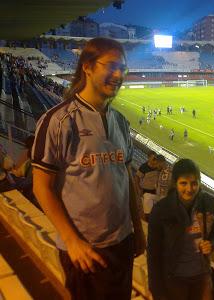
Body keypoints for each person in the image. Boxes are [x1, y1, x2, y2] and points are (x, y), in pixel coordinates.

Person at [32, 37, 145, 300]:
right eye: (112, 66)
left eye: (123, 68)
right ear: (88, 66)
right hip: (85, 250)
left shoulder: (120, 122)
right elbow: (41, 186)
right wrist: (72, 241)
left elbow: (125, 178)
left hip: (122, 242)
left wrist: (137, 230)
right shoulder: (59, 121)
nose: (119, 75)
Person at [147, 159, 214, 300]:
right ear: (175, 183)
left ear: (200, 183)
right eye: (183, 183)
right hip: (175, 279)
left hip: (201, 276)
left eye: (194, 183)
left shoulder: (208, 203)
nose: (189, 189)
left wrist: (211, 243)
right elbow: (153, 254)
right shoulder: (161, 210)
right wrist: (157, 290)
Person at [134, 150, 159, 222]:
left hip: (155, 192)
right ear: (148, 158)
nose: (155, 161)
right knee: (146, 211)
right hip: (145, 192)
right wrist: (138, 189)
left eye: (156, 159)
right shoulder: (144, 167)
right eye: (153, 159)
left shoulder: (159, 167)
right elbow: (136, 178)